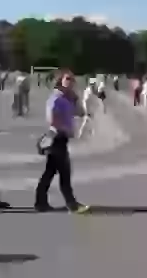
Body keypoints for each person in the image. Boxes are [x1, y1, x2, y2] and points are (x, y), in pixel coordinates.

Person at [35, 71, 89, 213]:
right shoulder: (56, 98)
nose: (71, 82)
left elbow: (81, 113)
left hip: (61, 139)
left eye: (72, 79)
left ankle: (40, 203)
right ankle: (72, 204)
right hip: (57, 138)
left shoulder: (67, 98)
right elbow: (51, 118)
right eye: (67, 79)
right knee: (65, 173)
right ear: (60, 80)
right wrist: (63, 129)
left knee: (49, 172)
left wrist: (75, 99)